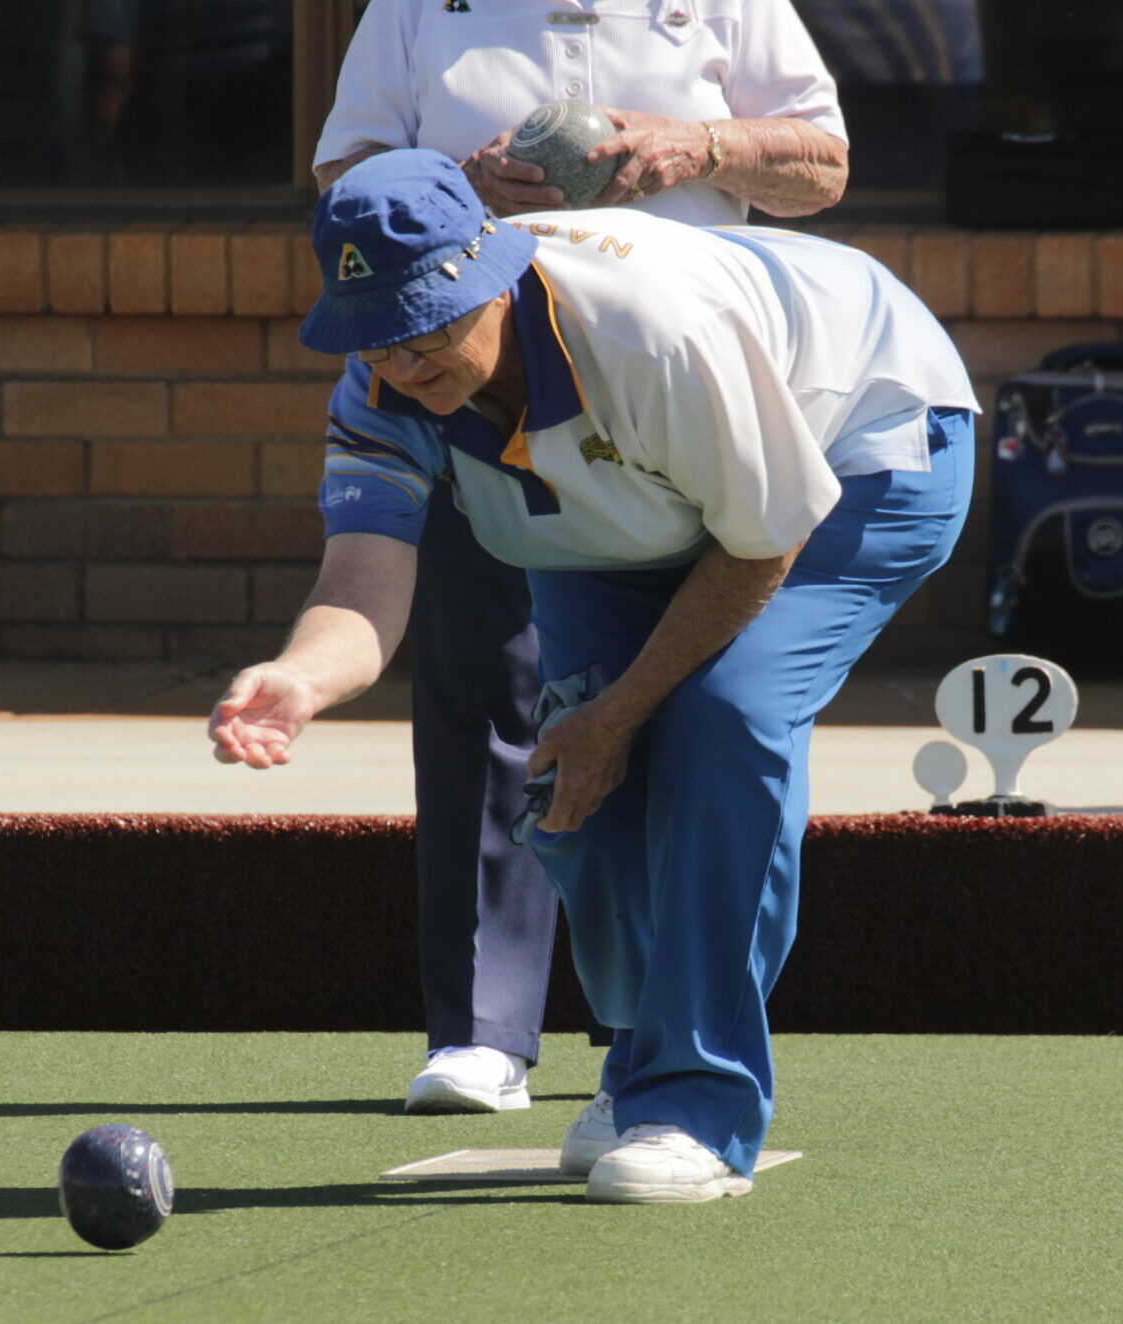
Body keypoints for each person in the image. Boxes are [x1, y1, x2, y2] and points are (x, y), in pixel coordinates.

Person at [209, 151, 974, 1201]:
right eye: (379, 331)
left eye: (429, 320)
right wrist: (301, 676)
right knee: (577, 773)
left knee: (720, 719)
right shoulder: (383, 388)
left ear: (495, 272)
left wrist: (624, 710)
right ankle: (637, 1059)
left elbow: (759, 543)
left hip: (861, 445)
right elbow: (363, 576)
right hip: (624, 517)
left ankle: (697, 1106)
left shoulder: (649, 332)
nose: (408, 357)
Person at [310, 0, 849, 1117]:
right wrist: (460, 194)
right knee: (479, 686)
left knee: (668, 708)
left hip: (677, 402)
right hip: (474, 357)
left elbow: (824, 164)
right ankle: (480, 1032)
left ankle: (643, 1039)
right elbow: (348, 181)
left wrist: (696, 146)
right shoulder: (415, 8)